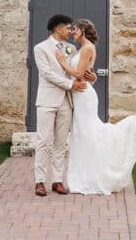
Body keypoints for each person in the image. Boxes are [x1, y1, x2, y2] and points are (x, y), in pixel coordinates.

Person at [56, 19, 136, 195]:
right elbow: (88, 74)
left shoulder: (87, 48)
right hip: (80, 95)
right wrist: (90, 75)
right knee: (85, 136)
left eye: (75, 29)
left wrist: (62, 61)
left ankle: (130, 127)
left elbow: (79, 74)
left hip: (84, 95)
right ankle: (86, 177)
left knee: (92, 133)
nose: (72, 32)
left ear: (82, 30)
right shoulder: (83, 49)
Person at [32, 14, 92, 197]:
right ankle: (39, 181)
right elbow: (47, 73)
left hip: (67, 101)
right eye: (68, 28)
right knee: (43, 141)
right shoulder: (40, 48)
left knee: (60, 143)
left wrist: (92, 77)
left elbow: (77, 72)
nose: (70, 31)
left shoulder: (71, 48)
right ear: (58, 29)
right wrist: (70, 84)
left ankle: (57, 181)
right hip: (47, 101)